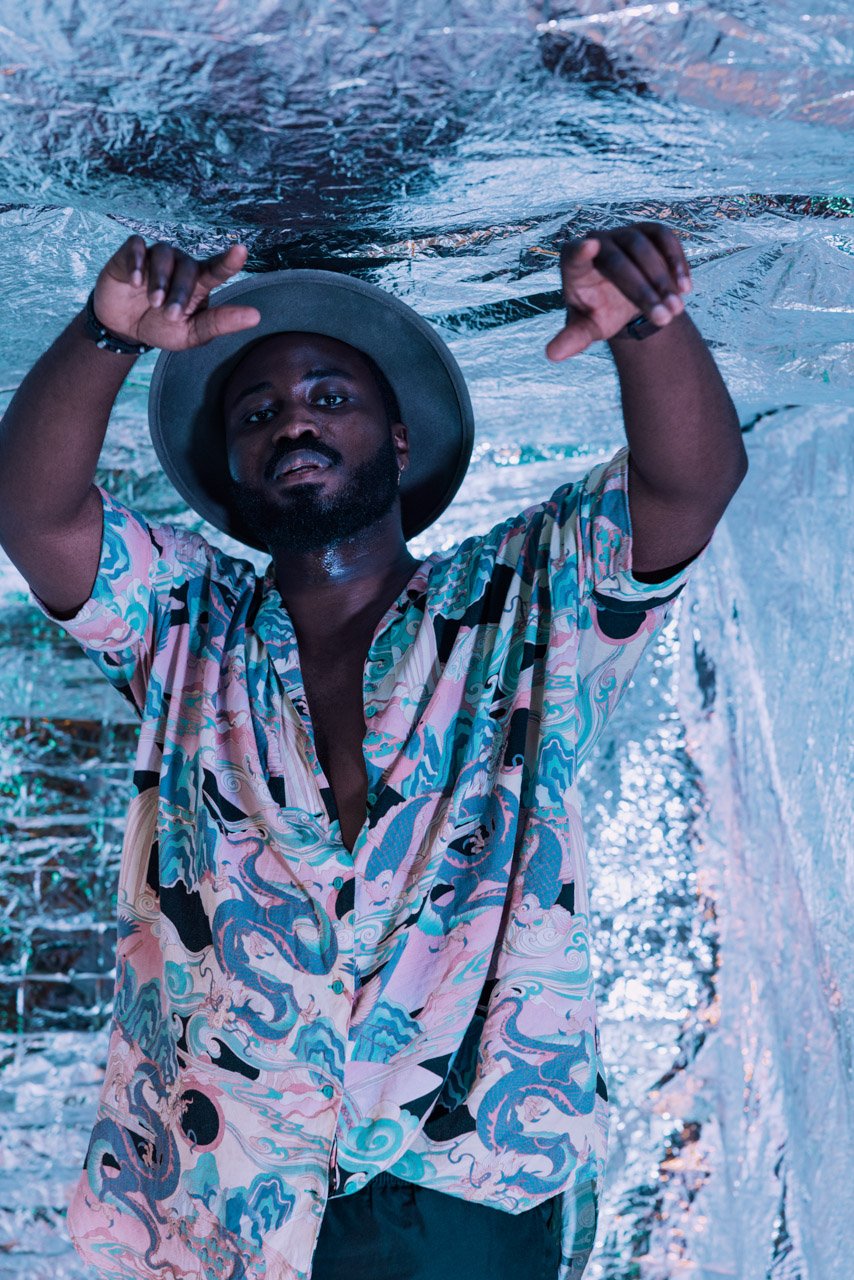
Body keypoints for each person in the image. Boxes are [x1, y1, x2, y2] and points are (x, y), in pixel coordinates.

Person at [0, 226, 747, 1280]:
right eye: (256, 413)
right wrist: (104, 335)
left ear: (397, 442)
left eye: (328, 396)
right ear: (230, 472)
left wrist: (646, 329)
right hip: (229, 1189)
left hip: (464, 1180)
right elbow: (35, 515)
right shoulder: (185, 625)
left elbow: (686, 491)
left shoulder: (523, 600)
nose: (293, 419)